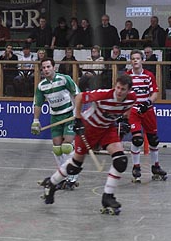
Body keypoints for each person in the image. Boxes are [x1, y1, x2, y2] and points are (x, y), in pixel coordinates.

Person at [41, 73, 140, 215]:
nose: (119, 92)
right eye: (117, 88)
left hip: (107, 129)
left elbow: (129, 106)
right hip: (89, 128)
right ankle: (52, 182)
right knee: (75, 166)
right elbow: (80, 97)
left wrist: (125, 120)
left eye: (123, 89)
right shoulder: (104, 95)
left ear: (128, 90)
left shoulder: (131, 98)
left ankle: (108, 196)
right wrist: (78, 119)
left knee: (121, 161)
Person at [31, 56, 80, 195]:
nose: (46, 70)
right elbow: (38, 104)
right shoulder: (41, 86)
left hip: (69, 115)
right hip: (55, 117)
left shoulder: (65, 79)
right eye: (44, 68)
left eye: (48, 67)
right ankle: (62, 176)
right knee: (57, 149)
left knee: (66, 147)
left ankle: (72, 176)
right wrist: (36, 120)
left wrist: (77, 113)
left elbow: (77, 94)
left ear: (54, 67)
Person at [125, 49, 166, 183]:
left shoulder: (149, 75)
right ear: (131, 61)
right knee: (137, 139)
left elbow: (154, 92)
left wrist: (148, 102)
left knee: (153, 139)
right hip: (134, 110)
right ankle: (136, 167)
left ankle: (156, 166)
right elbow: (123, 95)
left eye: (138, 58)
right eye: (133, 59)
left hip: (147, 110)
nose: (135, 60)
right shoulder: (127, 77)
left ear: (142, 60)